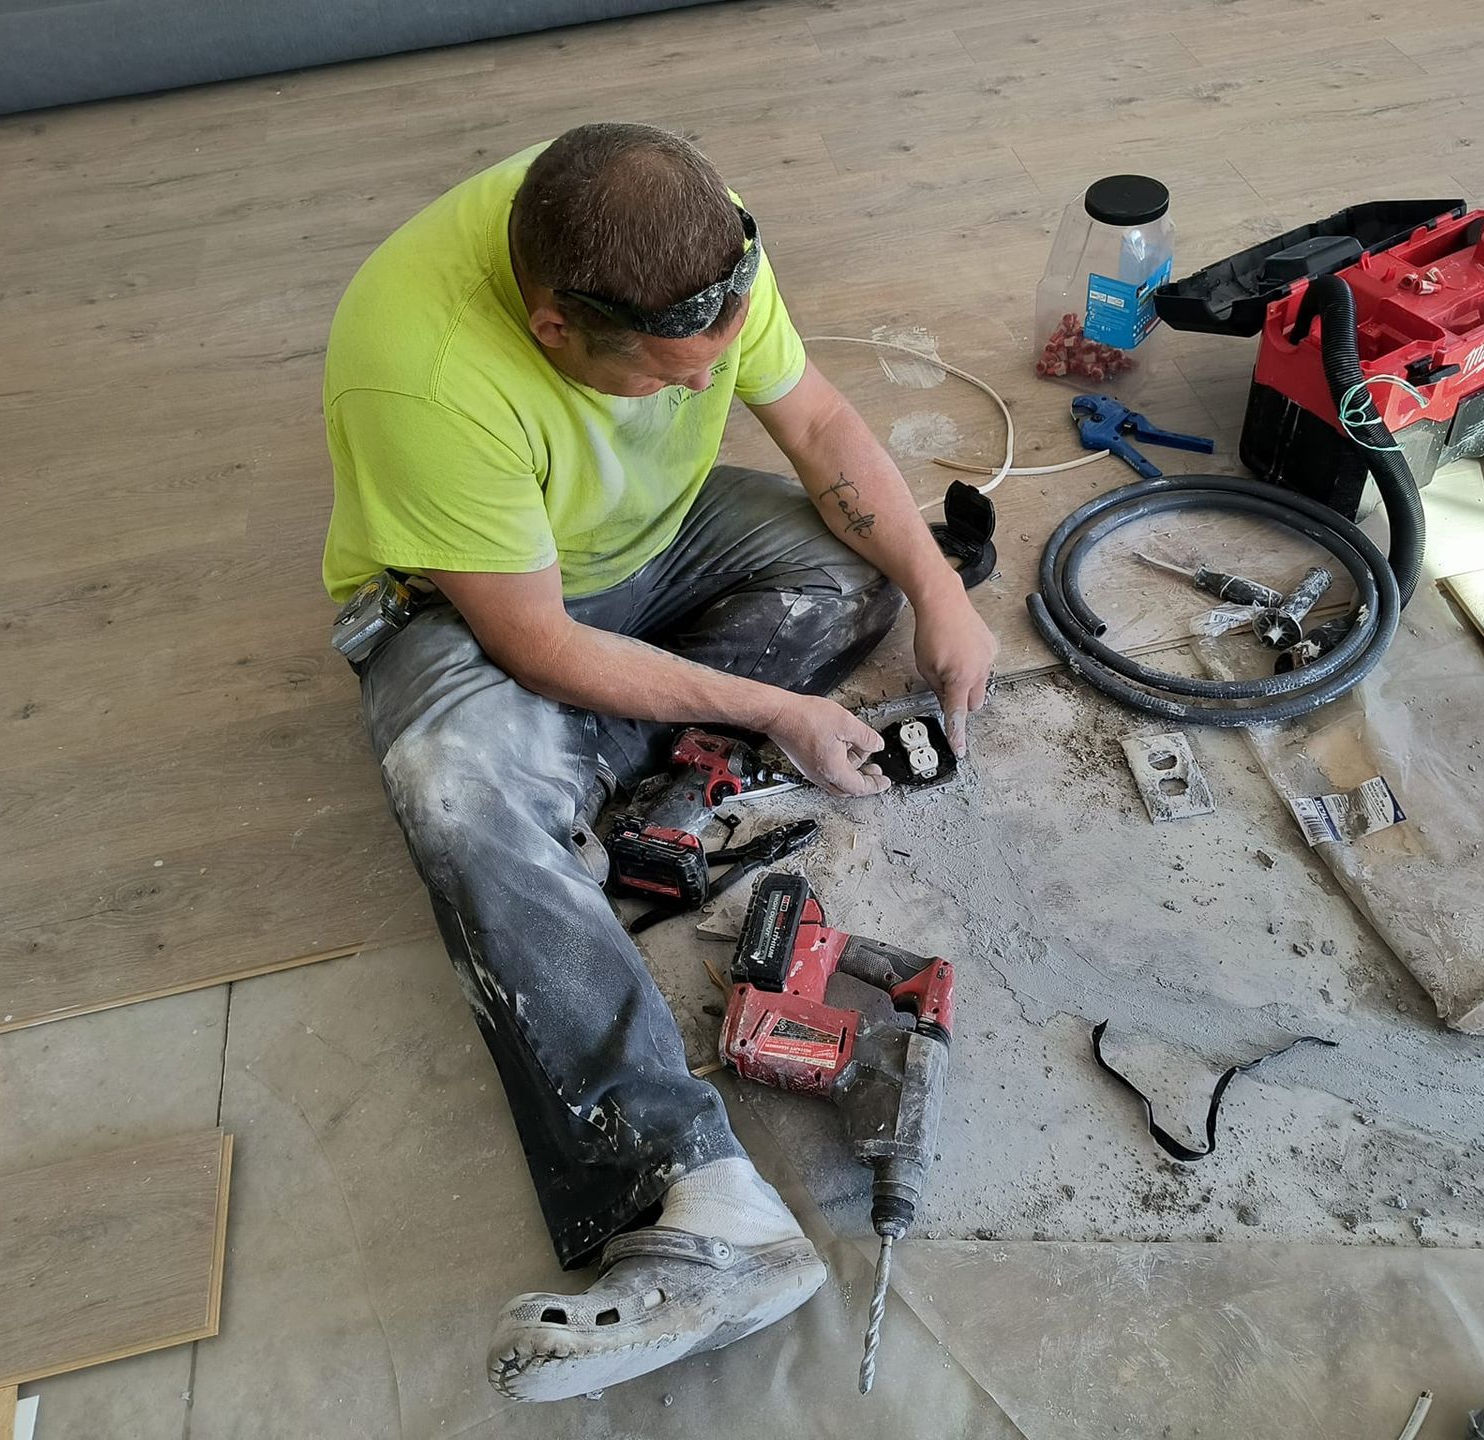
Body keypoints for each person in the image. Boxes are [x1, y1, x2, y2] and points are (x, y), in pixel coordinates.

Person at [320, 122, 997, 1403]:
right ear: (556, 329)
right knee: (459, 790)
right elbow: (533, 638)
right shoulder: (418, 371)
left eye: (715, 364)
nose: (704, 395)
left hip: (659, 545)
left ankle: (575, 797)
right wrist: (777, 713)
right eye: (669, 380)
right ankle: (695, 1200)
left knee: (854, 573)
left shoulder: (702, 235)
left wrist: (935, 593)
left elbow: (819, 420)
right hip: (474, 601)